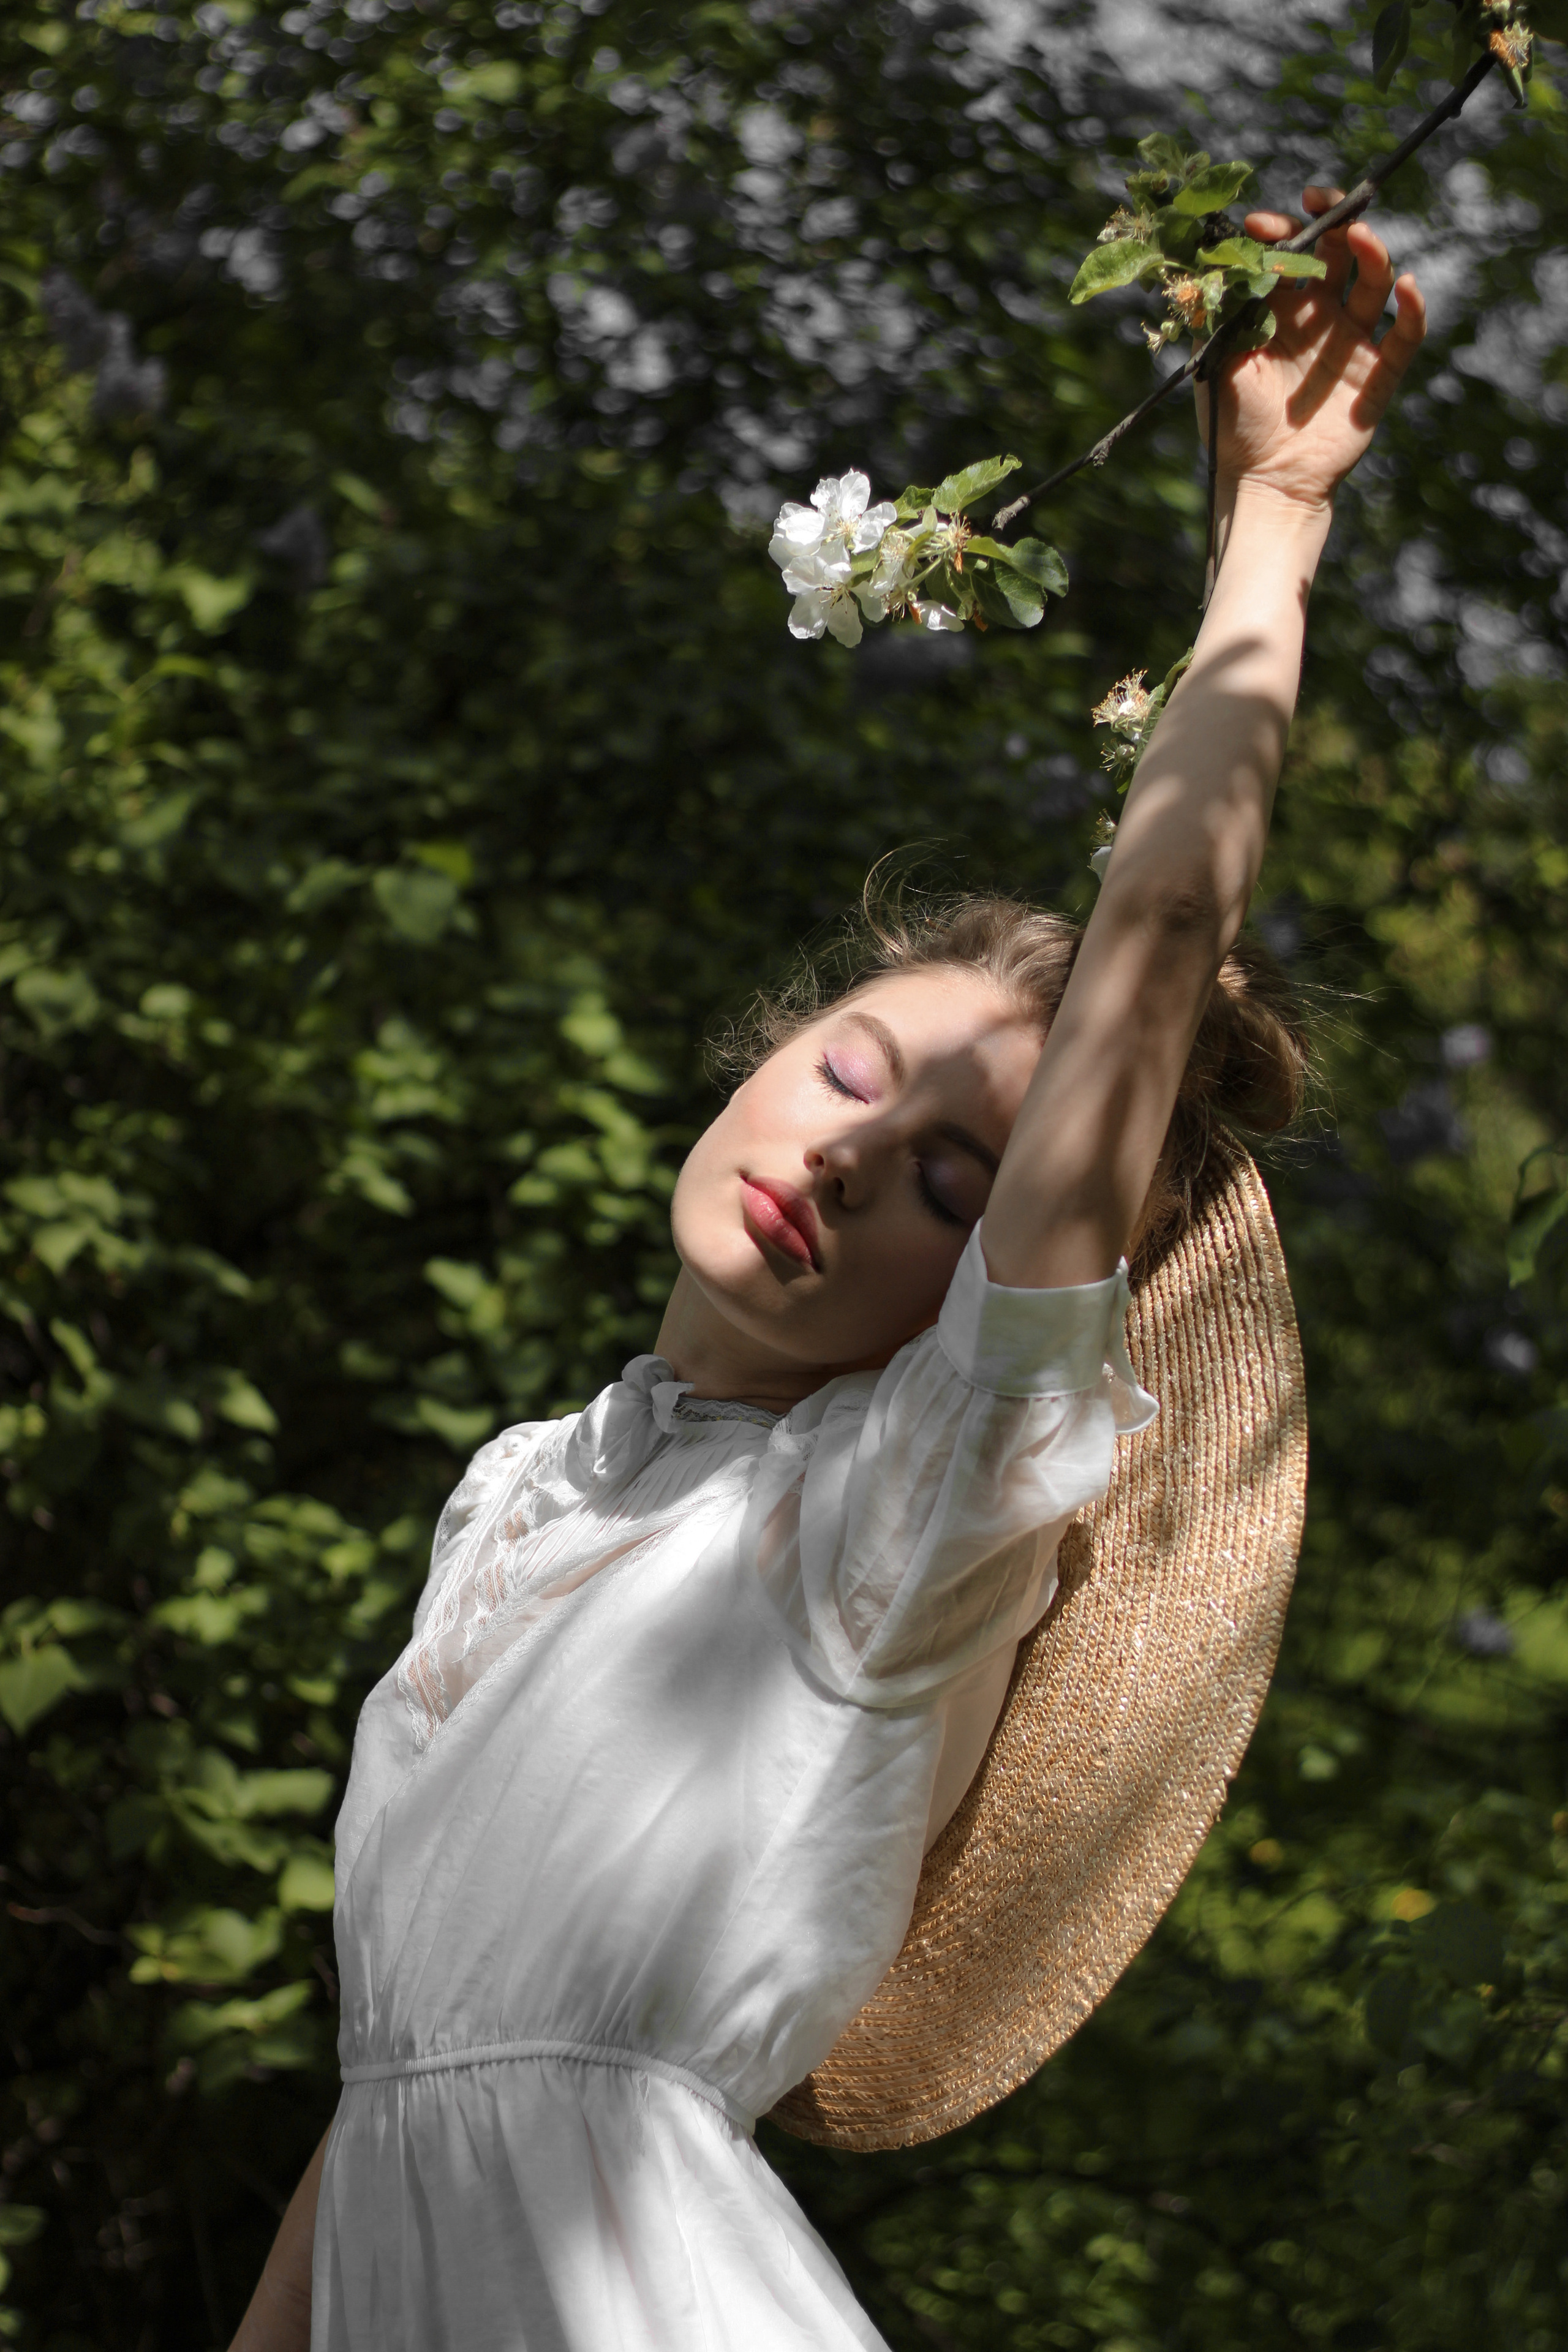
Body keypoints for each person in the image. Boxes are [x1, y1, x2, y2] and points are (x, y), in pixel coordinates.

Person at [231, 191, 1425, 2351]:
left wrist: (1276, 524)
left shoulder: (897, 1523)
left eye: (962, 1186)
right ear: (759, 1053)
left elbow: (1149, 962)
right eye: (851, 1070)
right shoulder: (520, 1490)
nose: (855, 1154)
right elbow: (398, 2088)